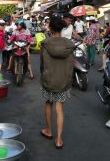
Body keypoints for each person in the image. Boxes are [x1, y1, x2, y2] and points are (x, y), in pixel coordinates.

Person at [40, 16, 75, 149]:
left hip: (48, 80)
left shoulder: (45, 44)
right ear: (61, 28)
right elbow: (71, 65)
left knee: (48, 103)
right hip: (63, 82)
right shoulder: (69, 44)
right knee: (59, 108)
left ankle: (48, 131)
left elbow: (42, 66)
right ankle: (59, 139)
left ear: (50, 28)